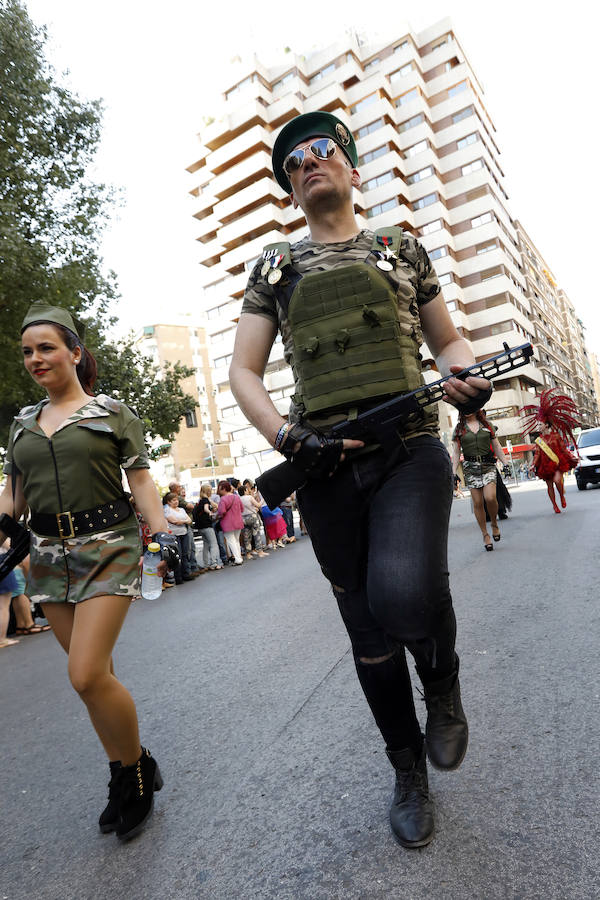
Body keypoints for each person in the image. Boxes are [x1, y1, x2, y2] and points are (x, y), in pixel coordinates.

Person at [229, 111, 494, 848]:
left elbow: (448, 341)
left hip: (408, 447)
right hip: (324, 466)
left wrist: (462, 376)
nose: (309, 163)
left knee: (405, 592)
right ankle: (407, 772)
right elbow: (243, 370)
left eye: (323, 151)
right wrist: (287, 436)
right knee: (369, 636)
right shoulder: (274, 266)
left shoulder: (400, 246)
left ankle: (441, 682)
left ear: (351, 168)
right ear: (290, 188)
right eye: (293, 163)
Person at [0, 302, 178, 841]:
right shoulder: (22, 426)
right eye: (28, 351)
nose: (36, 358)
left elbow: (142, 481)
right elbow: (13, 498)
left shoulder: (112, 412)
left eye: (47, 347)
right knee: (95, 680)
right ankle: (125, 771)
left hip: (110, 546)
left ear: (75, 352)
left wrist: (160, 533)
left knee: (84, 672)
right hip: (48, 556)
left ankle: (137, 773)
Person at [451, 410, 505, 551]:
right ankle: (485, 534)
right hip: (470, 468)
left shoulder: (487, 425)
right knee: (478, 502)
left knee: (490, 497)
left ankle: (494, 523)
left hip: (488, 465)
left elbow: (497, 446)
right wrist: (453, 471)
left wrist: (505, 462)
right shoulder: (459, 429)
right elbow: (456, 452)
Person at [520, 389, 579, 513]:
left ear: (546, 425)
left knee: (558, 481)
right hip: (545, 465)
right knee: (549, 486)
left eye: (540, 424)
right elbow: (537, 454)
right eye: (537, 425)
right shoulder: (539, 440)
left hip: (557, 463)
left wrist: (572, 456)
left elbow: (563, 450)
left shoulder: (556, 436)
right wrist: (533, 465)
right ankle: (554, 505)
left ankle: (562, 496)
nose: (538, 427)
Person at [163, 492, 196, 582]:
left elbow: (189, 520)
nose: (176, 502)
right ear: (168, 502)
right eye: (173, 500)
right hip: (174, 535)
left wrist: (182, 521)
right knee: (178, 555)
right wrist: (184, 521)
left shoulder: (181, 509)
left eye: (176, 500)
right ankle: (178, 577)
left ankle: (186, 573)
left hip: (184, 533)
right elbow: (174, 521)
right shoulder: (167, 510)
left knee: (185, 553)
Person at [194, 484, 222, 569]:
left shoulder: (201, 501)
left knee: (206, 545)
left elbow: (215, 506)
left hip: (200, 527)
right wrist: (209, 512)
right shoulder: (205, 500)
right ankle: (214, 563)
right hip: (207, 526)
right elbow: (207, 508)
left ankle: (206, 564)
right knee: (214, 544)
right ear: (208, 491)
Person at [216, 481, 244, 565]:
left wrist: (216, 515)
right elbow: (242, 509)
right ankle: (239, 557)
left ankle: (238, 559)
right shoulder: (236, 497)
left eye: (220, 488)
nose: (219, 490)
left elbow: (221, 512)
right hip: (238, 521)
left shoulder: (223, 499)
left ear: (223, 489)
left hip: (227, 523)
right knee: (236, 540)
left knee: (231, 541)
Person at [238, 484, 269, 559]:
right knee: (256, 534)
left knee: (246, 536)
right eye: (247, 489)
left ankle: (248, 553)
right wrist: (262, 500)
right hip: (252, 517)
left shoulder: (238, 499)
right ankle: (260, 551)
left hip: (243, 518)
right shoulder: (249, 497)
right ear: (245, 491)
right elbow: (258, 505)